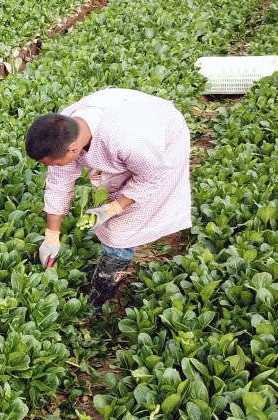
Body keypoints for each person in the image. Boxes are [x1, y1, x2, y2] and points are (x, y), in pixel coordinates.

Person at [24, 87, 192, 314]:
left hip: (162, 138)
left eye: (52, 163)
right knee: (114, 190)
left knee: (120, 230)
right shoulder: (65, 130)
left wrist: (114, 208)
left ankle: (98, 301)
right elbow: (59, 182)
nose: (51, 168)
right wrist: (52, 236)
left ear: (73, 149)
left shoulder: (129, 140)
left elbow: (153, 176)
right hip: (132, 127)